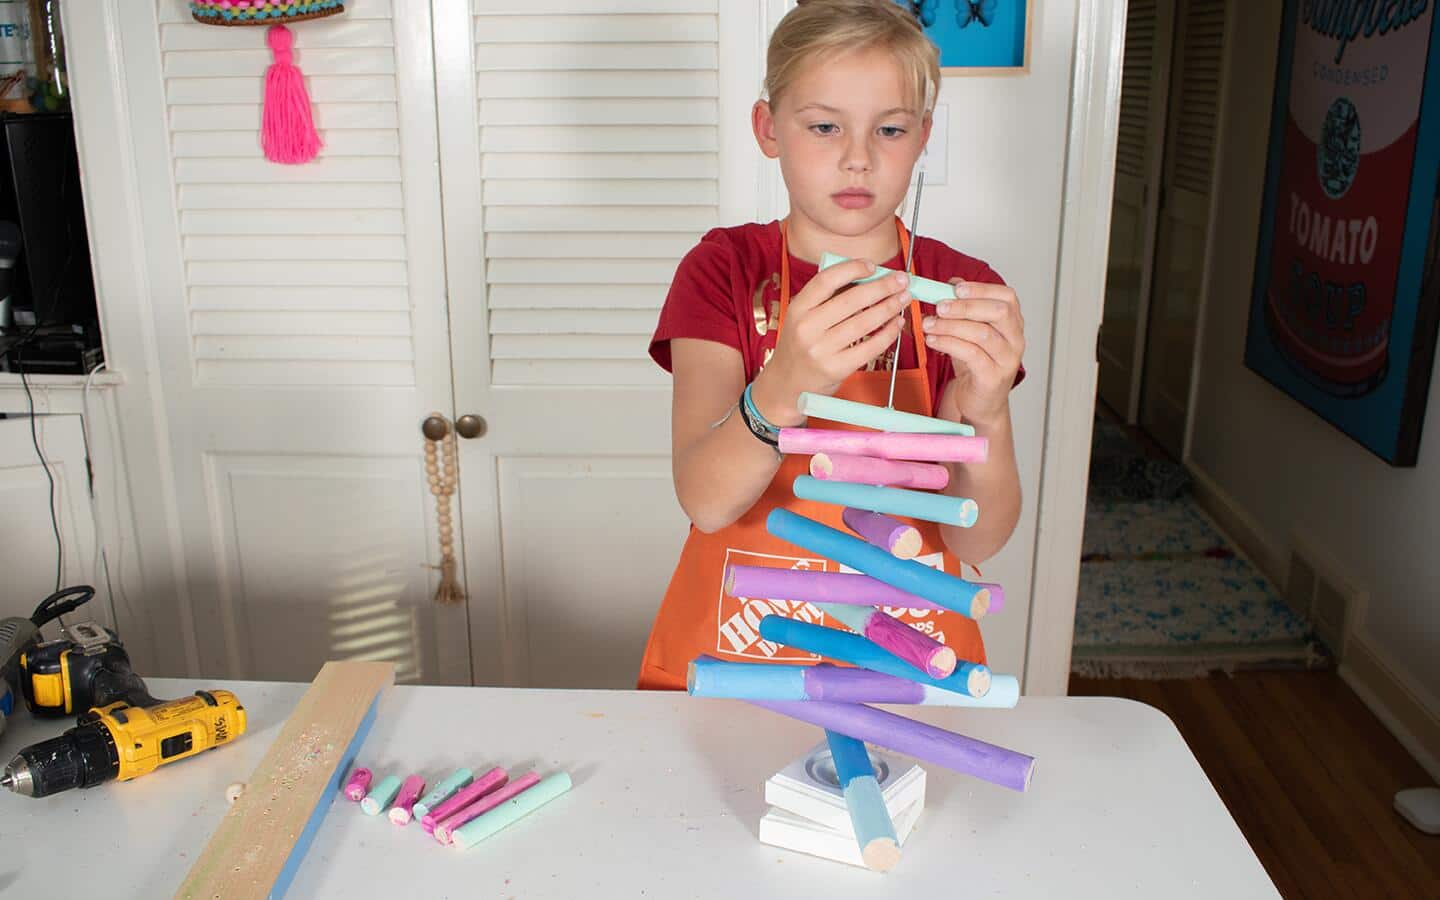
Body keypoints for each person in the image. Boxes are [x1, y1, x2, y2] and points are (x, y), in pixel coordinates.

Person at [637, 0, 1025, 691]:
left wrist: (987, 410)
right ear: (769, 129)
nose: (858, 157)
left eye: (891, 129)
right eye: (823, 126)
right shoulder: (723, 269)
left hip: (906, 661)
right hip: (742, 655)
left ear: (923, 136)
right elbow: (705, 500)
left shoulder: (959, 290)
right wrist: (783, 383)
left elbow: (979, 539)